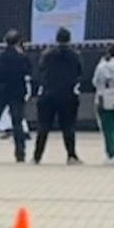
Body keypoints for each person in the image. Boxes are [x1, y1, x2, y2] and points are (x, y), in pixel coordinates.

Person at [34, 28, 87, 164]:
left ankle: (37, 156)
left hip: (47, 94)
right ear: (69, 39)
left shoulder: (46, 54)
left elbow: (40, 70)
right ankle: (71, 156)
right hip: (68, 95)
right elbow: (79, 72)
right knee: (68, 127)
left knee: (43, 126)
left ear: (56, 39)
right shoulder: (75, 55)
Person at [0, 30, 34, 161]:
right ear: (18, 42)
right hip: (16, 92)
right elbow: (28, 71)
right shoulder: (22, 57)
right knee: (17, 123)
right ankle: (20, 154)